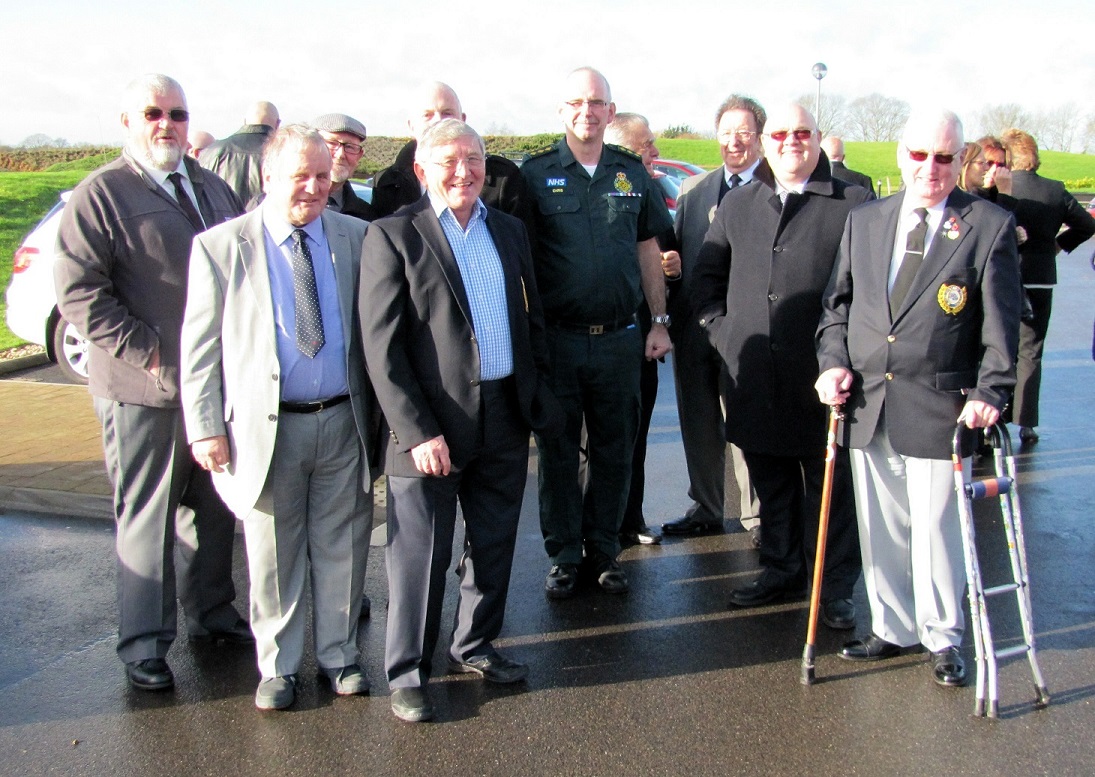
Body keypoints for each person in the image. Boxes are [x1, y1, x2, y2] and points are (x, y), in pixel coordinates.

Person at [360, 120, 563, 723]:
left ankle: (474, 644)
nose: (463, 171)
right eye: (448, 161)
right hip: (429, 427)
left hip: (504, 414)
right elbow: (382, 349)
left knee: (495, 542)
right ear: (421, 171)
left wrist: (537, 393)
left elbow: (532, 320)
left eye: (473, 159)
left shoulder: (508, 230)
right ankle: (407, 671)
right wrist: (416, 431)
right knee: (420, 554)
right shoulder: (393, 235)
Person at [54, 73, 249, 692]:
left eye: (177, 113)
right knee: (148, 516)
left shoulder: (212, 187)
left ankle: (213, 614)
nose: (166, 123)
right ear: (127, 122)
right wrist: (154, 356)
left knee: (215, 512)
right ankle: (143, 644)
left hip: (215, 390)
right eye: (152, 113)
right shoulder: (100, 196)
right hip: (146, 392)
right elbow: (81, 295)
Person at [815, 109, 1022, 688]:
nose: (930, 168)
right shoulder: (867, 220)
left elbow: (1003, 329)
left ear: (961, 161)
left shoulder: (988, 225)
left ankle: (942, 635)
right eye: (919, 155)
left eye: (944, 157)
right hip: (868, 400)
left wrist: (992, 392)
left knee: (935, 526)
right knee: (880, 524)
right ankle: (891, 625)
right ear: (900, 155)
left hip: (941, 405)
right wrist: (832, 365)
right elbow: (836, 308)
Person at [180, 124, 376, 711]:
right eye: (300, 176)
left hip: (344, 420)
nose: (314, 188)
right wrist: (206, 426)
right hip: (264, 430)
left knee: (343, 544)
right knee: (272, 551)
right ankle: (279, 666)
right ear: (268, 178)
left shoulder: (358, 237)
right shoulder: (220, 247)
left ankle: (340, 656)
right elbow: (200, 349)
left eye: (323, 175)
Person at [692, 103, 870, 628]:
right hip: (754, 376)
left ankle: (833, 588)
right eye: (781, 134)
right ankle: (780, 567)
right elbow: (706, 277)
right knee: (771, 482)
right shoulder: (739, 203)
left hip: (823, 375)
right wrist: (722, 331)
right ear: (766, 142)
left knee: (829, 492)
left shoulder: (853, 202)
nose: (791, 141)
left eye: (802, 133)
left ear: (817, 139)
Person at [521, 67, 673, 599]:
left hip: (619, 340)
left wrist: (658, 321)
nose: (587, 111)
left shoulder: (631, 173)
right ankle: (564, 556)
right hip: (559, 342)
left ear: (611, 112)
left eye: (597, 103)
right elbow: (522, 259)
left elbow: (648, 249)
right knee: (558, 452)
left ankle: (605, 551)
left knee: (615, 450)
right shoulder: (534, 175)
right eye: (577, 102)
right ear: (562, 111)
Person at [662, 94, 762, 546]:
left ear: (759, 137)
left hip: (745, 330)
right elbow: (679, 252)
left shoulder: (772, 188)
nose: (734, 141)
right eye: (726, 133)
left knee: (744, 422)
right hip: (694, 326)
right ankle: (706, 505)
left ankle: (756, 515)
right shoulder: (694, 190)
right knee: (699, 421)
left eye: (743, 133)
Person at [602, 112, 681, 546]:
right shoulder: (599, 187)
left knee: (636, 433)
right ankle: (593, 530)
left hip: (640, 336)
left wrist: (672, 269)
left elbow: (664, 251)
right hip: (597, 335)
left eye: (652, 143)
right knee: (595, 442)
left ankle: (631, 519)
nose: (653, 152)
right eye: (643, 145)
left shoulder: (647, 189)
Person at [1000, 128, 1095, 443]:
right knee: (1032, 350)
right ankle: (1026, 422)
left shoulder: (1002, 189)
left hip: (1004, 276)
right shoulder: (1055, 190)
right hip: (1040, 277)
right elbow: (1087, 224)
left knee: (1000, 347)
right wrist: (1058, 243)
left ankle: (994, 419)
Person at [371, 81, 529, 221]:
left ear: (463, 120)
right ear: (411, 126)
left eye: (447, 113)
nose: (439, 120)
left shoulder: (503, 179)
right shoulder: (387, 184)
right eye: (428, 115)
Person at [200, 100, 280, 203]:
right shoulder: (284, 155)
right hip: (265, 218)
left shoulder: (212, 152)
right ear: (278, 124)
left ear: (245, 121)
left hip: (223, 218)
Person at [311, 113, 377, 221]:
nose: (340, 154)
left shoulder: (368, 219)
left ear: (359, 156)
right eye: (332, 143)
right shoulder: (284, 205)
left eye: (350, 147)